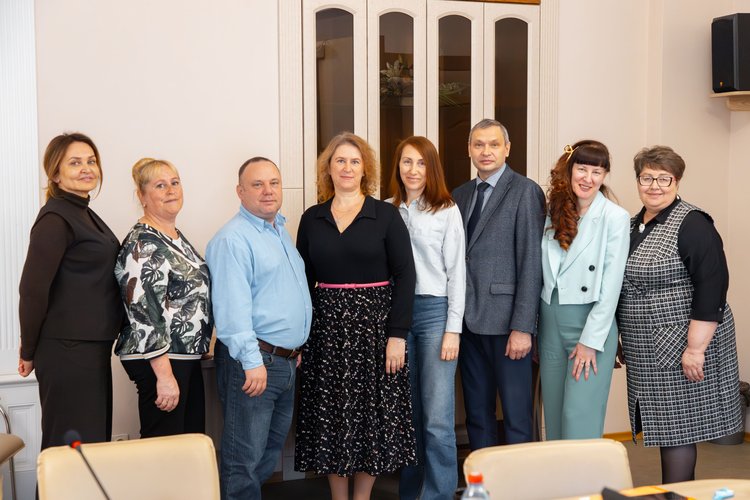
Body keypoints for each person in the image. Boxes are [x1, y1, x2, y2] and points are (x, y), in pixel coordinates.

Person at [295, 132, 417, 500]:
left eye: (354, 161)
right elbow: (301, 282)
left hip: (375, 331)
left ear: (365, 169)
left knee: (369, 419)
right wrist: (299, 338)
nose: (347, 168)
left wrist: (397, 335)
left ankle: (362, 497)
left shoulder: (386, 215)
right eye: (340, 161)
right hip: (326, 332)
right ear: (328, 169)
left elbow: (406, 276)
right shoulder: (311, 218)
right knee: (332, 417)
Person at [617, 145, 742, 483]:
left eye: (664, 178)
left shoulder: (693, 223)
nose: (654, 186)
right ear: (637, 181)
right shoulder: (633, 224)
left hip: (681, 344)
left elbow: (712, 287)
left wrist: (696, 349)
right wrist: (619, 335)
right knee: (664, 426)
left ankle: (676, 494)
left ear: (677, 181)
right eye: (647, 178)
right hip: (647, 346)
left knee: (677, 429)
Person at [206, 157, 312, 500]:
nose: (268, 191)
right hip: (254, 363)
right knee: (243, 460)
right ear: (240, 192)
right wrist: (252, 362)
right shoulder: (233, 239)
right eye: (257, 184)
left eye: (274, 183)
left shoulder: (279, 231)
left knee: (268, 455)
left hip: (284, 362)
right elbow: (232, 309)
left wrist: (293, 347)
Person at [18, 132, 124, 449]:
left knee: (90, 444)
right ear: (55, 173)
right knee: (69, 449)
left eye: (91, 161)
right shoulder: (56, 218)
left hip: (88, 347)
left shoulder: (82, 212)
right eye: (75, 163)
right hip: (66, 350)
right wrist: (28, 350)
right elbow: (32, 290)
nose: (86, 168)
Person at [452, 119, 545, 450]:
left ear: (507, 148)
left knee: (517, 415)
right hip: (467, 322)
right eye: (478, 144)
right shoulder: (459, 195)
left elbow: (531, 262)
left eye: (493, 144)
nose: (486, 151)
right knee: (477, 414)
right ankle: (484, 477)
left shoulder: (525, 191)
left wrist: (523, 327)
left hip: (508, 326)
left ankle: (520, 480)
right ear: (469, 149)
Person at [388, 136, 466, 500]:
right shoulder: (387, 210)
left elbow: (457, 273)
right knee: (409, 415)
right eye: (407, 162)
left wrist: (453, 329)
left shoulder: (446, 210)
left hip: (435, 314)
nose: (413, 170)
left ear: (431, 168)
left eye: (421, 163)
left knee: (437, 417)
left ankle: (438, 493)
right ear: (398, 166)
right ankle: (411, 492)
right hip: (398, 317)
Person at [115, 158, 212, 438]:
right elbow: (143, 309)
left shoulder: (173, 235)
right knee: (164, 447)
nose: (171, 190)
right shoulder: (143, 242)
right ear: (142, 197)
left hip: (183, 355)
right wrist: (164, 375)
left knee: (189, 444)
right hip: (162, 359)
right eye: (160, 185)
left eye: (175, 182)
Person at [538, 141, 629, 440]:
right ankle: (559, 474)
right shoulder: (553, 212)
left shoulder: (615, 217)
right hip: (550, 320)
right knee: (553, 416)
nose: (588, 178)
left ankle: (585, 475)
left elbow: (611, 286)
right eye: (582, 169)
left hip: (589, 324)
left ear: (604, 176)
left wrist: (591, 341)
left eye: (597, 172)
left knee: (579, 417)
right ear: (570, 170)